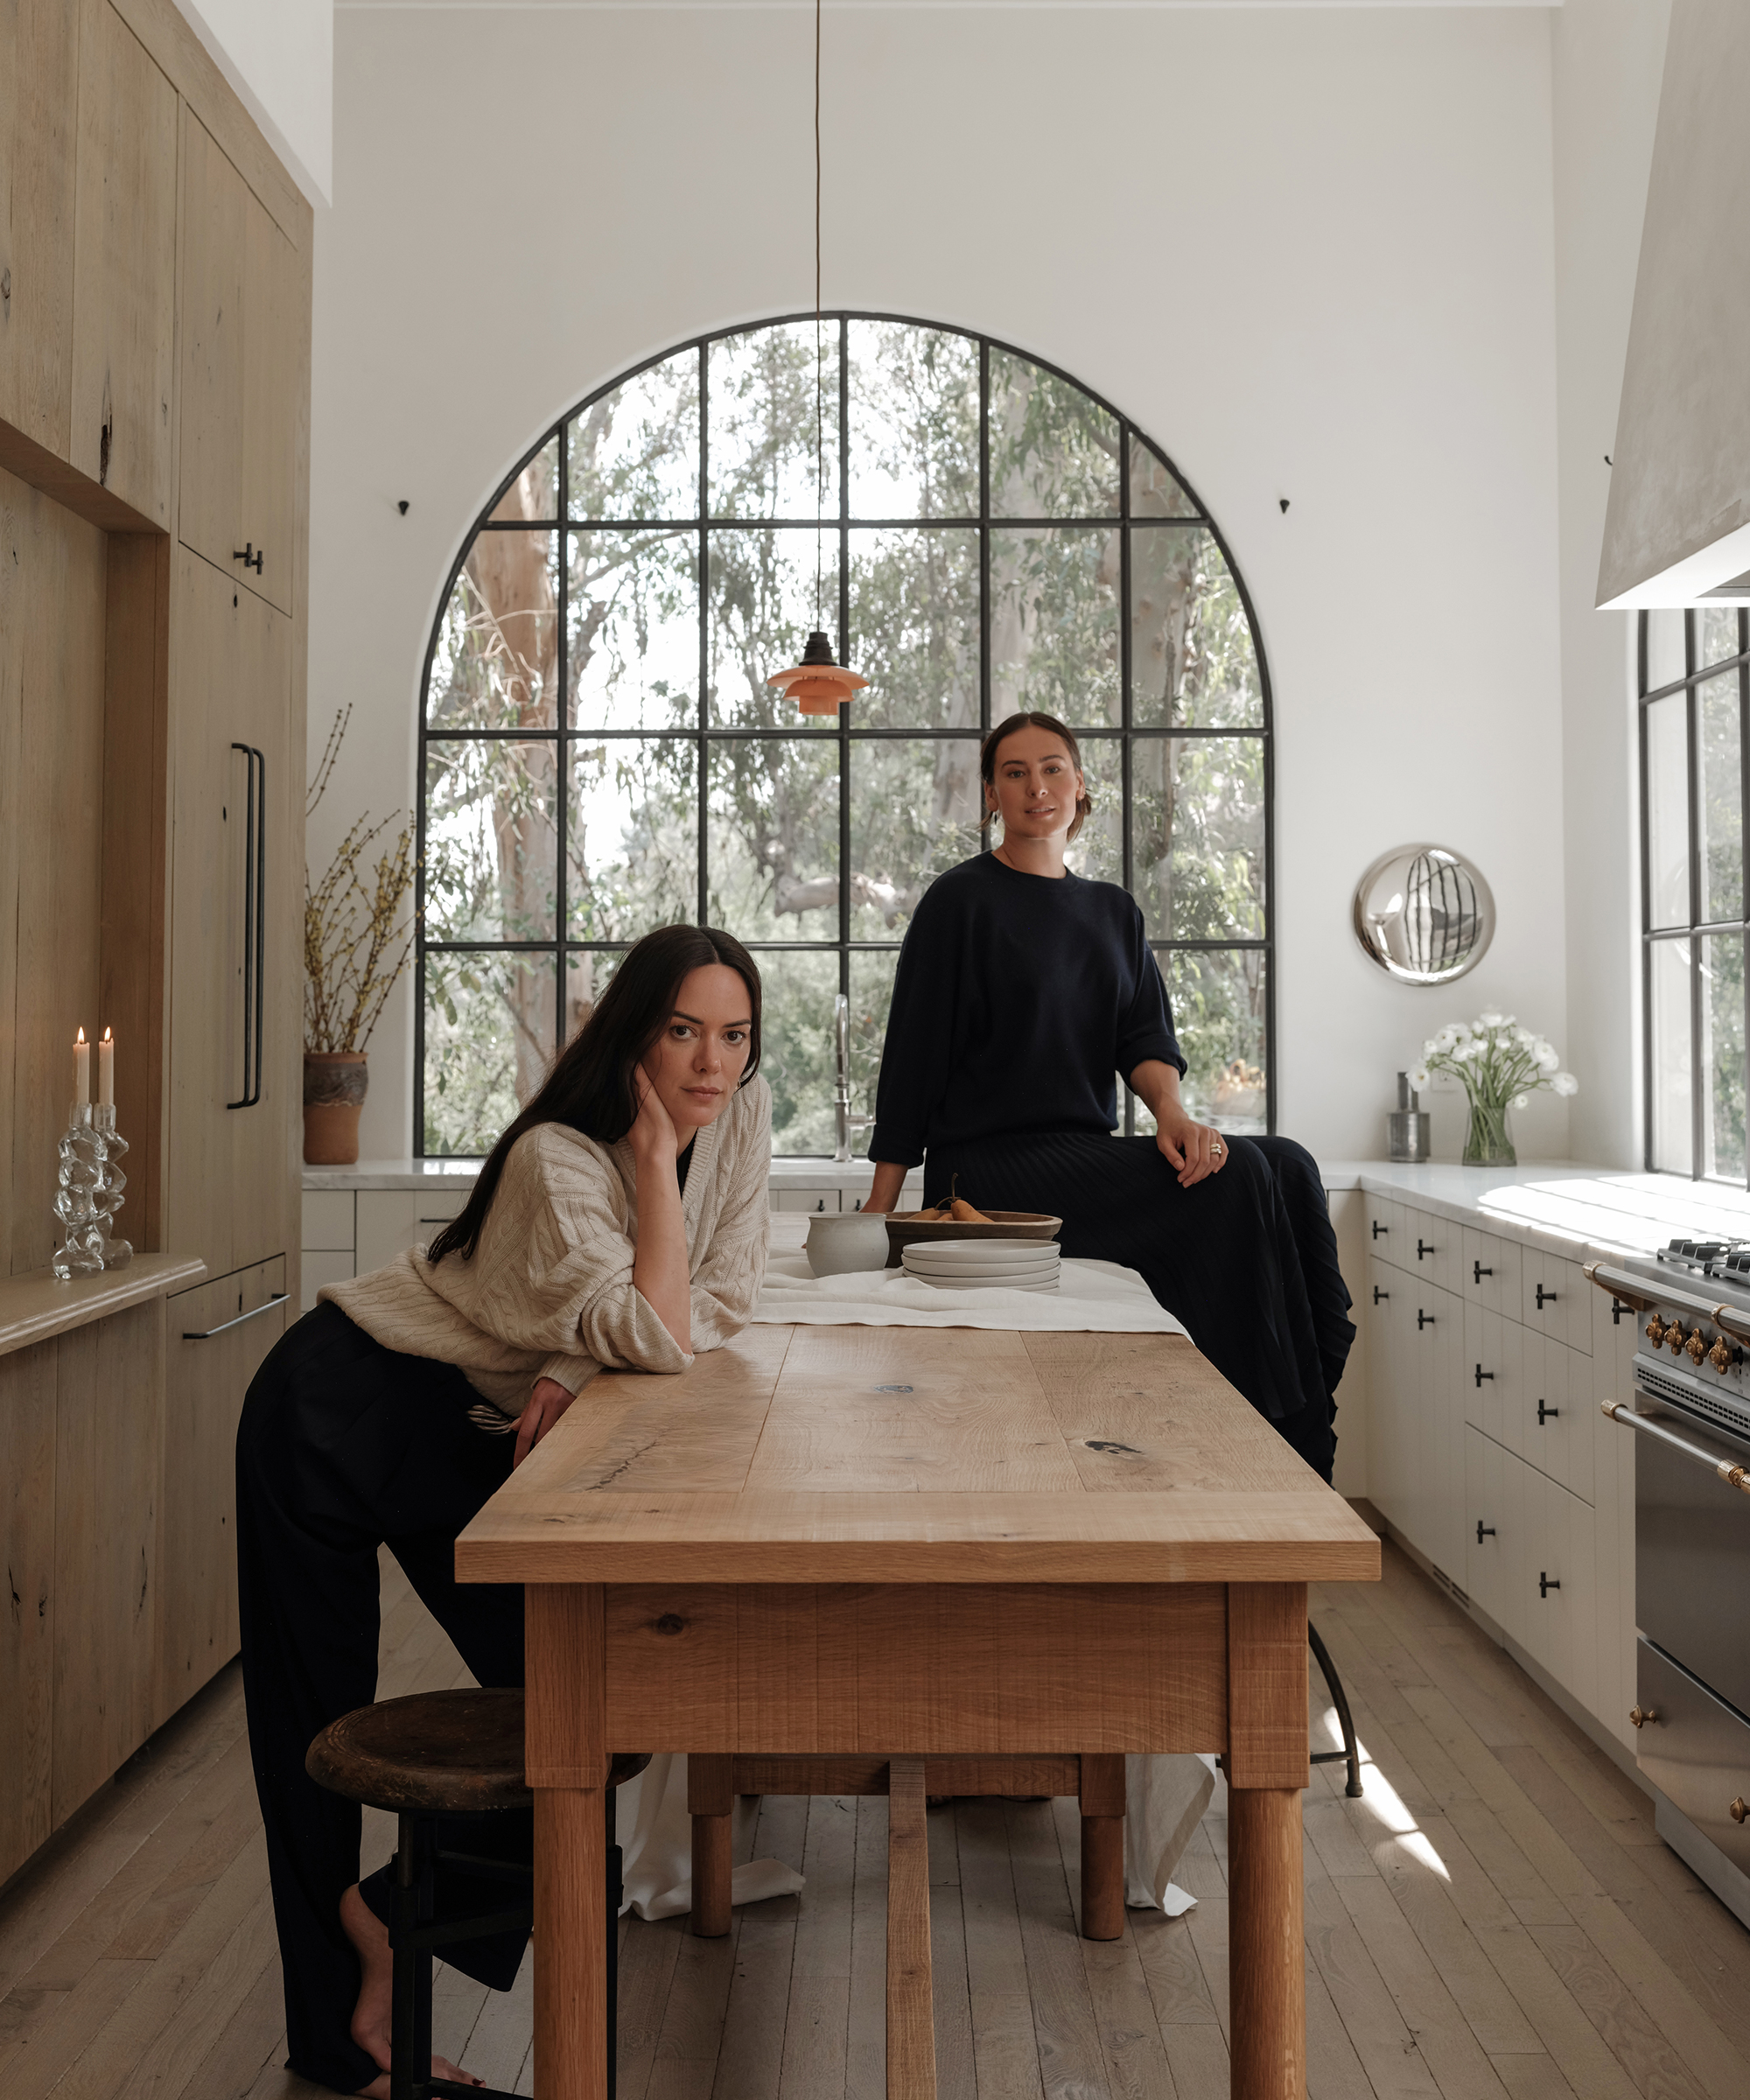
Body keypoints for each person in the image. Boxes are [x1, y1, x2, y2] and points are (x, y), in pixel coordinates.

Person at [236, 924, 771, 2097]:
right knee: (309, 1727)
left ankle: (383, 1924)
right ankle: (337, 2041)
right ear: (633, 1034)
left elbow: (723, 1299)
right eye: (683, 1030)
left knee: (589, 1703)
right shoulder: (558, 1160)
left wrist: (579, 1368)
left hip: (471, 1431)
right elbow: (665, 1331)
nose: (712, 1065)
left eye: (734, 1035)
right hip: (342, 1403)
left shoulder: (739, 1124)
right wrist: (645, 1158)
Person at [864, 710, 1353, 1474]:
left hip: (1080, 1156)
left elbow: (1143, 1040)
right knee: (1244, 1178)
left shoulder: (1112, 911)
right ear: (991, 793)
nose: (1037, 786)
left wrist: (1175, 1116)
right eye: (1016, 773)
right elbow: (913, 1059)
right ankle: (1272, 1428)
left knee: (1285, 1162)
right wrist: (881, 1201)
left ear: (1081, 784)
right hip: (991, 1170)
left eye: (1053, 767)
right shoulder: (958, 903)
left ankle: (1304, 1398)